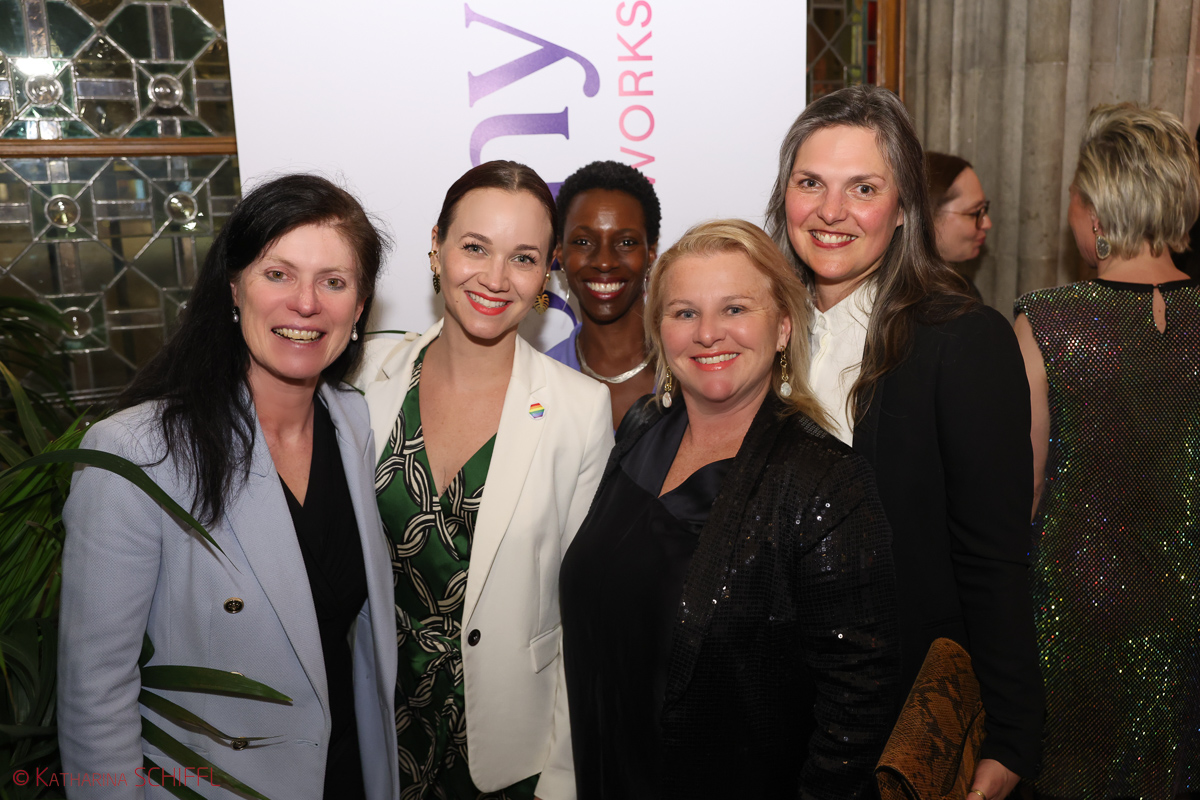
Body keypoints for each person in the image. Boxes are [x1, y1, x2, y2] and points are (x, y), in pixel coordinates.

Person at [58, 175, 398, 800]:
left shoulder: (352, 421)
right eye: (278, 274)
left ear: (359, 308)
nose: (305, 304)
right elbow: (94, 693)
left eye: (333, 281)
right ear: (234, 288)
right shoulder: (135, 453)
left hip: (346, 773)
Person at [765, 85, 1045, 800]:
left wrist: (1012, 734)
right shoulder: (753, 332)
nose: (831, 211)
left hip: (890, 719)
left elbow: (993, 556)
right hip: (763, 710)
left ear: (902, 209)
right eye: (810, 183)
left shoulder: (961, 340)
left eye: (863, 188)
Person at [559, 219, 900, 799]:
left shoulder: (826, 482)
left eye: (735, 309)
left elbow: (858, 707)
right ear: (659, 331)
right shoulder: (640, 430)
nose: (708, 333)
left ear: (784, 327)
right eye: (684, 312)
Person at [353, 161, 613, 800]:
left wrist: (563, 778)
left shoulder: (580, 410)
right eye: (475, 247)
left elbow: (588, 617)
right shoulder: (363, 377)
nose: (496, 279)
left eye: (523, 258)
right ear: (436, 246)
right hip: (376, 734)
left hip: (511, 755)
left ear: (546, 272)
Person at [1014, 103, 1200, 799]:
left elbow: (1024, 489)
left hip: (1075, 611)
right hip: (1189, 608)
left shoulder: (1047, 321)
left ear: (1094, 211)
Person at [545, 160, 661, 428]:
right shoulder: (539, 382)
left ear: (651, 252)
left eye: (626, 242)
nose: (605, 262)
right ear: (560, 253)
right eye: (583, 242)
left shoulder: (690, 369)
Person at [927, 152, 990, 298]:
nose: (987, 223)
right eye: (974, 213)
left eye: (984, 209)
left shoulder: (962, 288)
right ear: (927, 217)